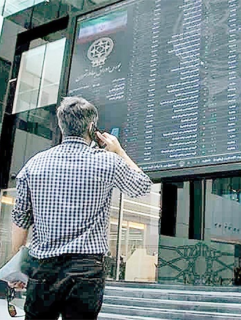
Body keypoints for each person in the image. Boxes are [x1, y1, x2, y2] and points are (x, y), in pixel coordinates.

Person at [10, 96, 152, 320]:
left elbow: (21, 220)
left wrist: (16, 266)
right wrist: (119, 151)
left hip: (43, 268)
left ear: (61, 125)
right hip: (86, 270)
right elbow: (142, 187)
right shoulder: (108, 162)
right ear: (91, 127)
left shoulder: (34, 164)